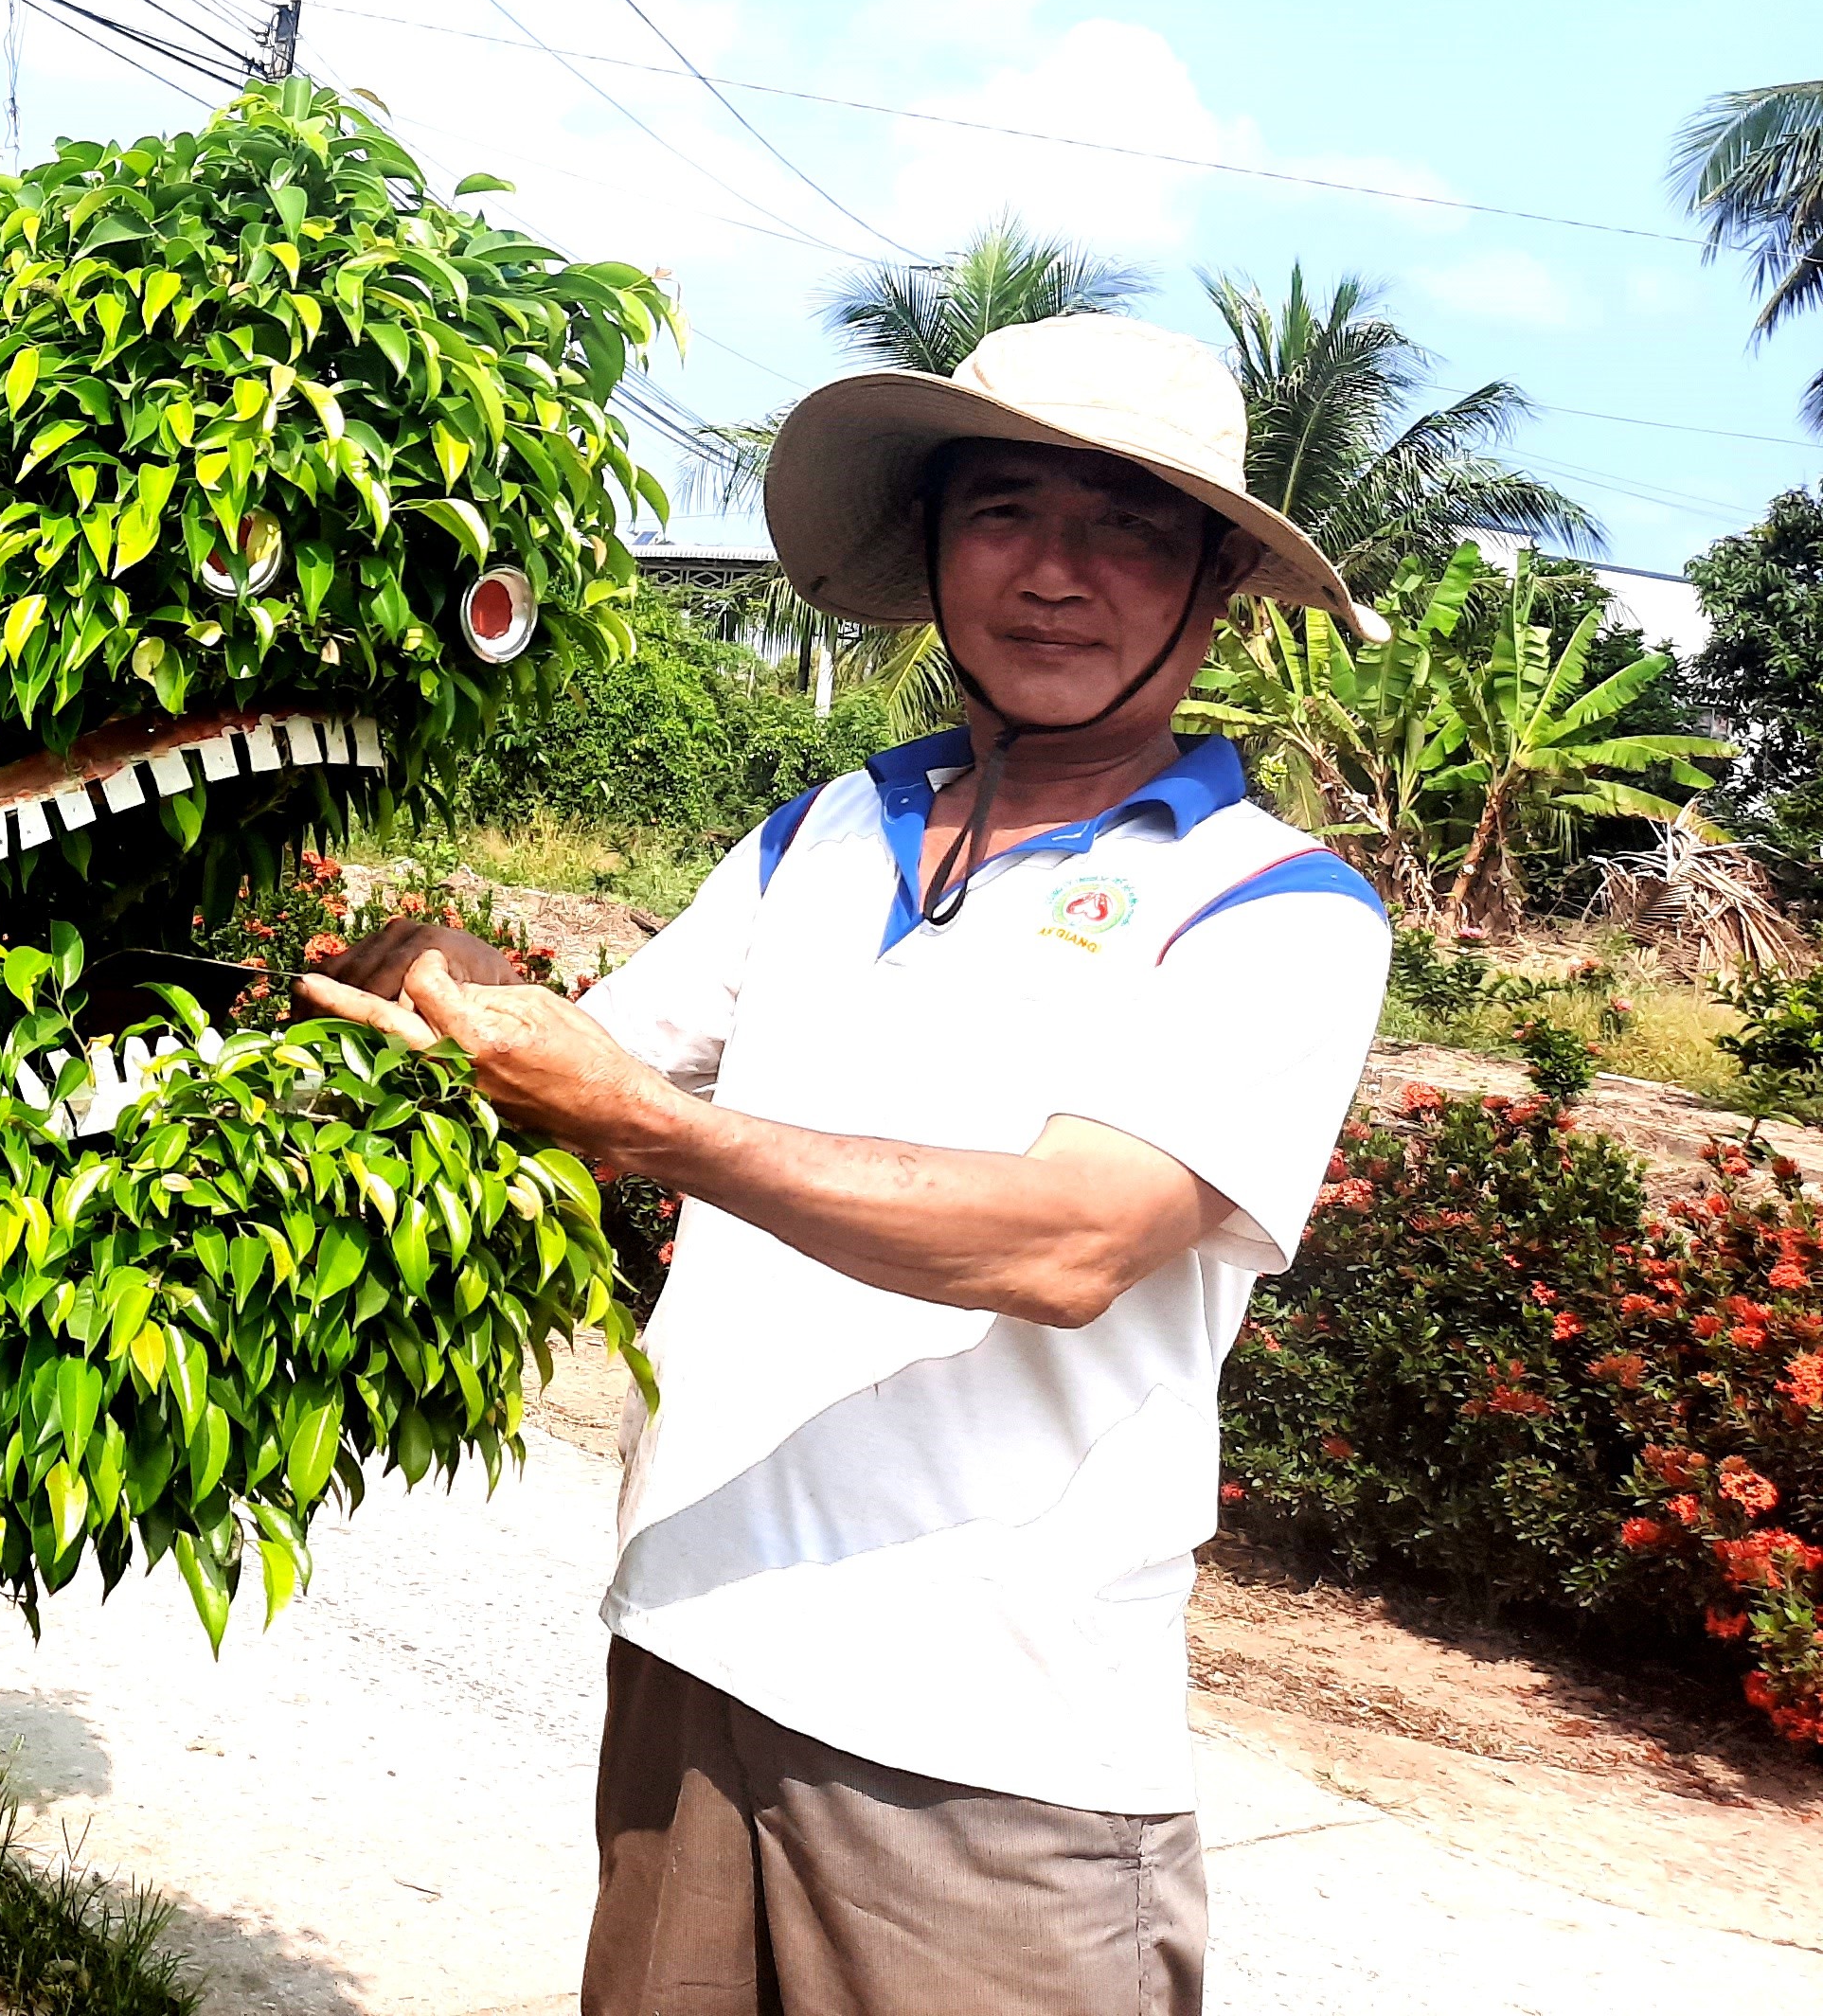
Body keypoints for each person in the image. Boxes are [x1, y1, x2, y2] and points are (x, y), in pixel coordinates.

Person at [304, 313, 1393, 2016]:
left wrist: (651, 1135)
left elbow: (1069, 1239)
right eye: (1004, 511)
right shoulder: (828, 830)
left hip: (985, 1745)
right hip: (695, 1635)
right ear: (939, 547)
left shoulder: (1272, 909)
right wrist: (440, 969)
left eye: (1127, 526)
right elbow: (603, 1048)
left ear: (1213, 585)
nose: (1054, 574)